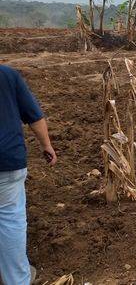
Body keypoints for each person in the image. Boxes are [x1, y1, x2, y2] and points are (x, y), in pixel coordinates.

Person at [0, 65, 56, 285]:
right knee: (10, 219)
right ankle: (16, 279)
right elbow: (34, 116)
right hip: (6, 162)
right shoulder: (7, 75)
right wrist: (47, 146)